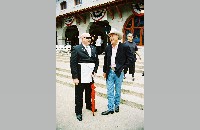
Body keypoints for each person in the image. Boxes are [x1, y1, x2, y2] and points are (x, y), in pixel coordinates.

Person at [101, 28, 134, 115]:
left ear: (117, 36)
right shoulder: (108, 47)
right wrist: (104, 71)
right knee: (110, 91)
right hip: (110, 72)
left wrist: (124, 67)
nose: (111, 37)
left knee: (118, 90)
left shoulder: (124, 46)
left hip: (119, 72)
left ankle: (117, 105)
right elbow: (105, 60)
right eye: (110, 36)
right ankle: (110, 108)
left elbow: (131, 58)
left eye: (112, 36)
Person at [70, 33, 99, 121]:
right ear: (82, 38)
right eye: (87, 38)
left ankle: (89, 105)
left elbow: (96, 61)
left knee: (89, 92)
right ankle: (78, 112)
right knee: (79, 95)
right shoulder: (76, 48)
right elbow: (73, 64)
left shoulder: (93, 48)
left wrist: (95, 71)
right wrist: (75, 77)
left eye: (90, 38)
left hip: (90, 75)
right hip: (80, 76)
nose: (89, 39)